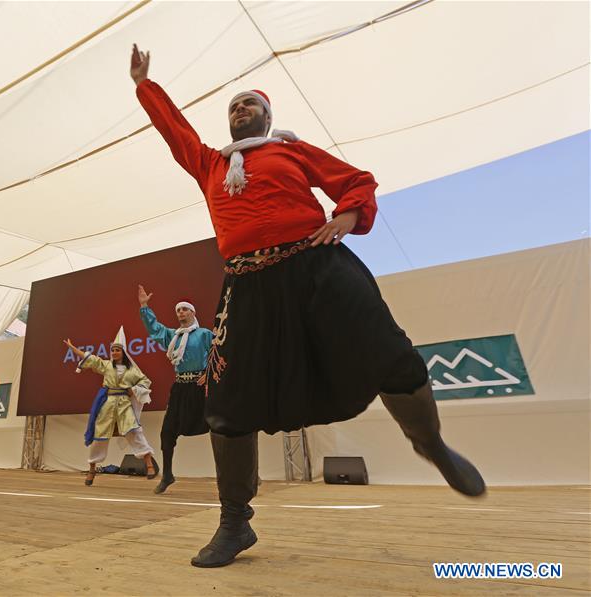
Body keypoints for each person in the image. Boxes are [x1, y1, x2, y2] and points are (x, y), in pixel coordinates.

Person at [130, 44, 485, 568]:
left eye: (249, 103)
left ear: (268, 116)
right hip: (247, 284)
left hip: (315, 266)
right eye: (233, 106)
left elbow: (357, 181)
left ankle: (429, 442)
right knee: (227, 400)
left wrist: (347, 215)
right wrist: (144, 85)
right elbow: (175, 131)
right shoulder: (210, 164)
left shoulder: (290, 151)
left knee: (386, 350)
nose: (240, 109)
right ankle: (234, 521)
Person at [138, 285, 212, 494]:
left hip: (202, 387)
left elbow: (219, 354)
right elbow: (155, 329)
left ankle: (243, 472)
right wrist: (144, 307)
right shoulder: (173, 336)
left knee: (221, 428)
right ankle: (168, 475)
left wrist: (209, 374)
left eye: (184, 309)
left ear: (193, 313)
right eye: (178, 310)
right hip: (180, 389)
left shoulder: (205, 334)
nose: (180, 312)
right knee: (167, 432)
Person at [64, 327, 157, 486]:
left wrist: (133, 389)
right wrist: (73, 349)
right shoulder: (106, 365)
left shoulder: (132, 371)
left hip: (124, 406)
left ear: (123, 352)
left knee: (135, 432)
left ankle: (149, 464)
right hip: (107, 405)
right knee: (99, 437)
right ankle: (92, 469)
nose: (114, 352)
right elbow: (91, 359)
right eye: (112, 350)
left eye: (117, 350)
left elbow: (145, 382)